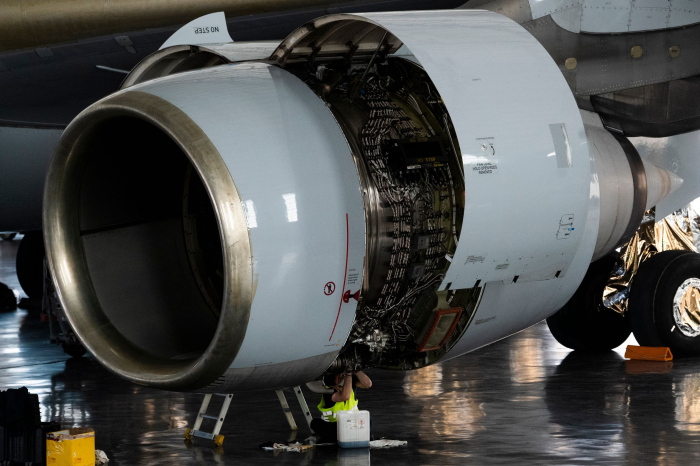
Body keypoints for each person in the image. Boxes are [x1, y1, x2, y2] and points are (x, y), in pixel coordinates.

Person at [310, 370, 372, 442]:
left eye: (343, 374)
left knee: (368, 419)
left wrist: (355, 370)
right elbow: (345, 396)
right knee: (315, 423)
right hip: (336, 427)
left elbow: (368, 384)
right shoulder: (328, 391)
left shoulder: (350, 383)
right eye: (338, 375)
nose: (342, 376)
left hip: (352, 425)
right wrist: (348, 374)